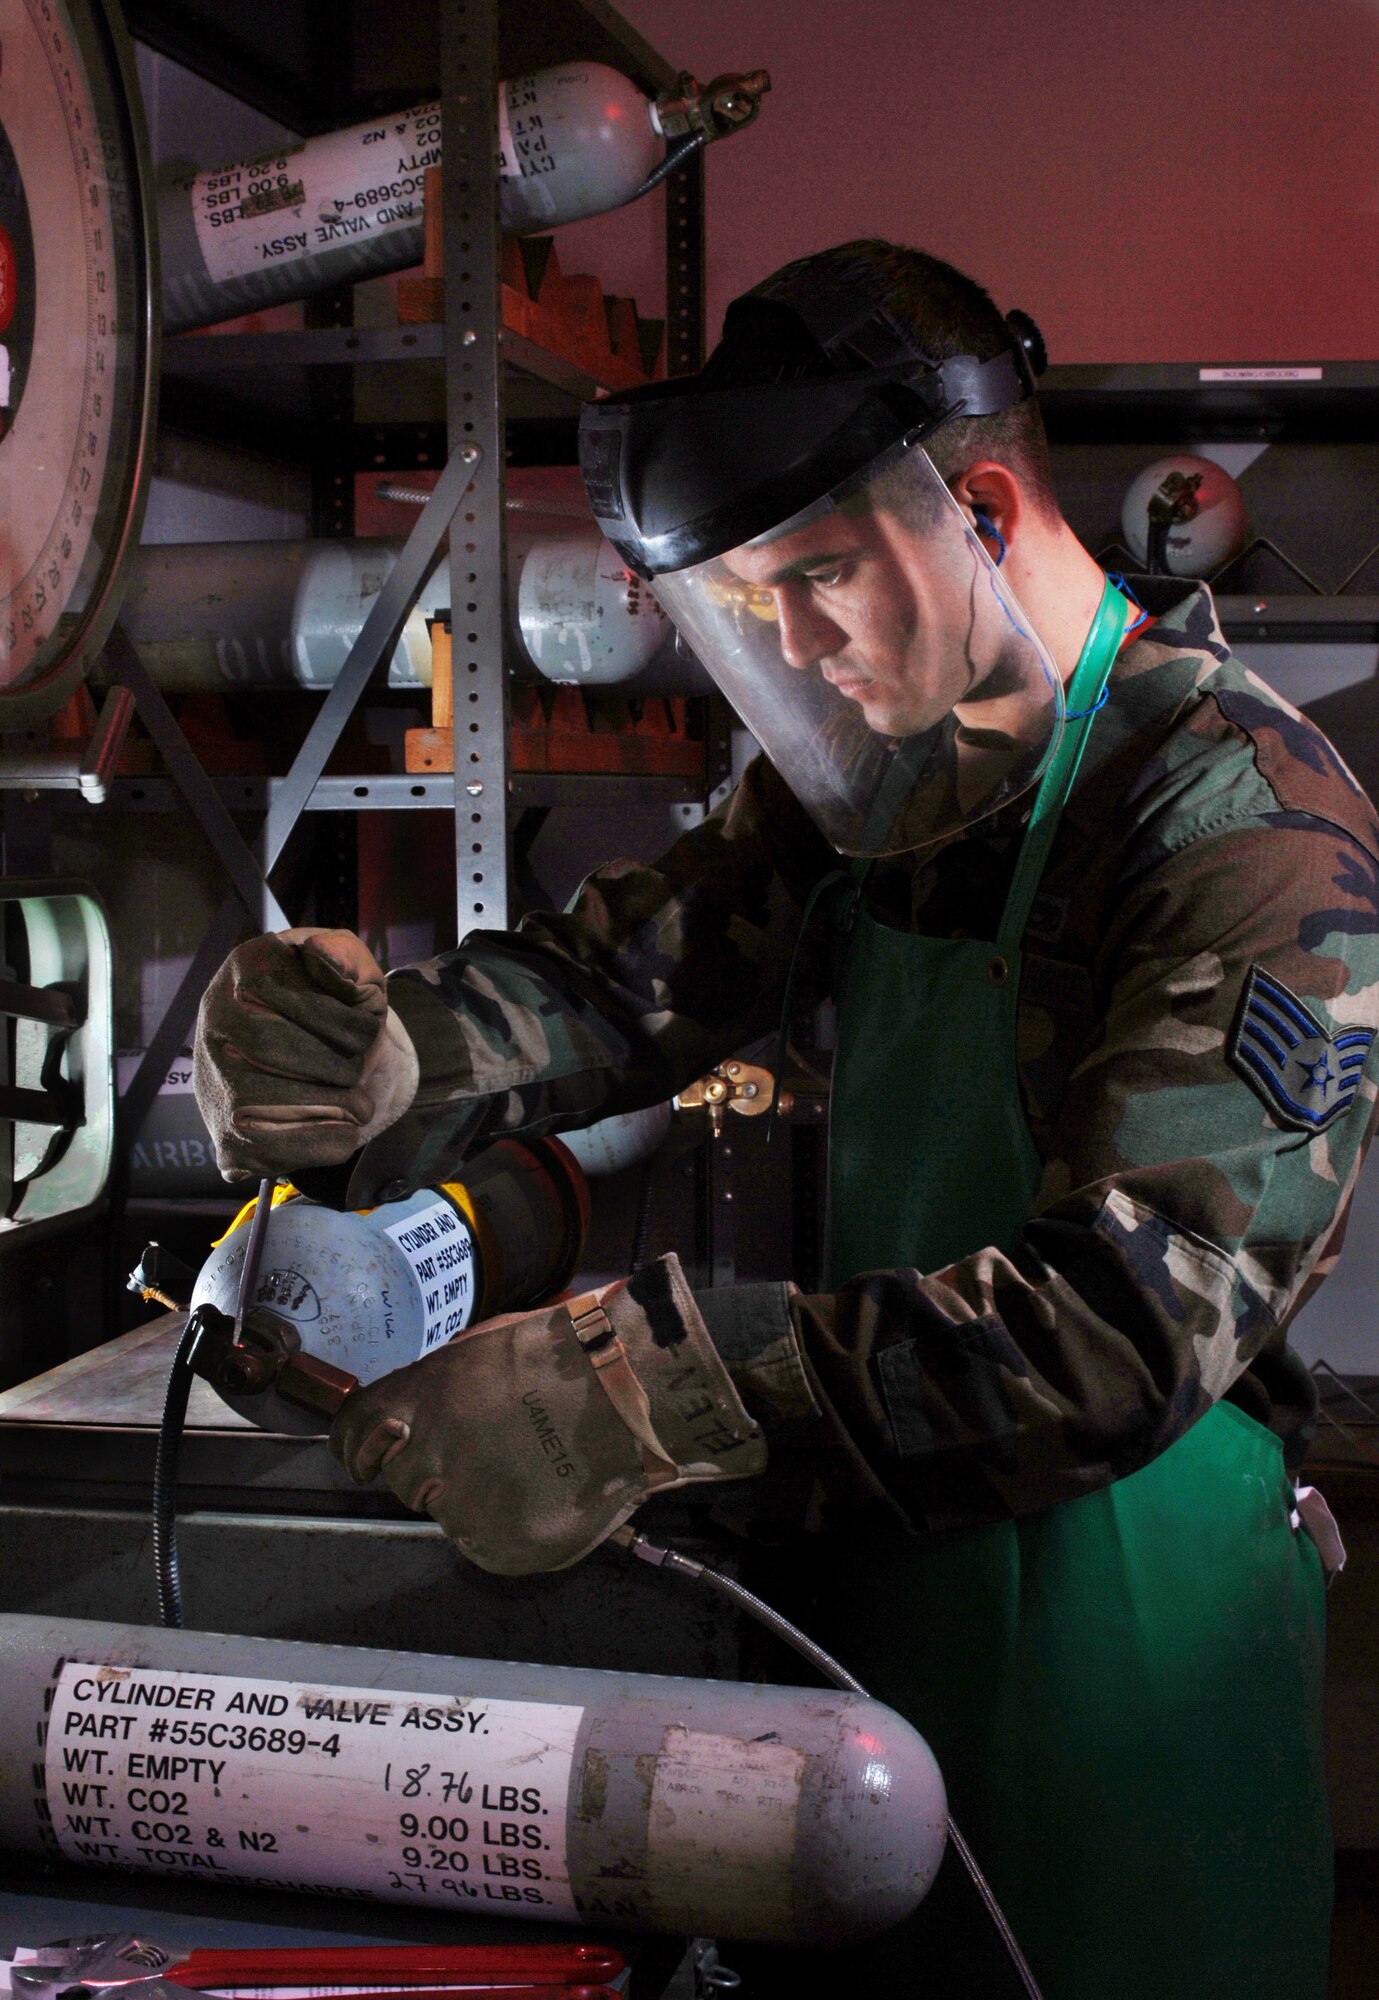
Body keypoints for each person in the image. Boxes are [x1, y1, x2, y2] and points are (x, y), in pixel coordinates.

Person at [193, 240, 1379, 1998]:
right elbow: (627, 982)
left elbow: (1120, 1330)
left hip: (1133, 1661)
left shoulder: (1237, 818)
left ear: (976, 508)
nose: (799, 647)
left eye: (819, 579)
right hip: (886, 1584)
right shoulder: (893, 766)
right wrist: (394, 1061)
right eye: (755, 608)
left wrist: (657, 1391)